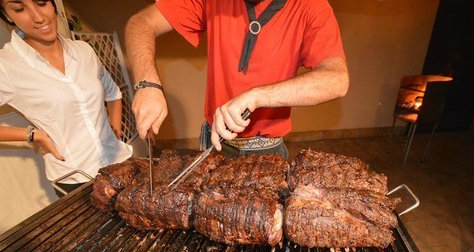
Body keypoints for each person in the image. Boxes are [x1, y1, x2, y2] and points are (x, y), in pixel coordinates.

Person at [126, 0, 349, 158]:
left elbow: (337, 79)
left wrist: (256, 96)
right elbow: (141, 23)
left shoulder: (312, 6)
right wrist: (147, 83)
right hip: (215, 143)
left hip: (267, 151)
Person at [0, 0, 132, 197]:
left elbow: (113, 93)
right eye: (19, 9)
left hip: (121, 163)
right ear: (7, 15)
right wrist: (33, 134)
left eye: (41, 2)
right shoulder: (2, 65)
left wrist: (115, 133)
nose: (38, 17)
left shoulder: (83, 50)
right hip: (78, 179)